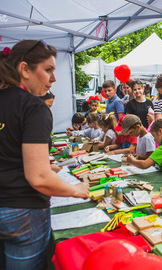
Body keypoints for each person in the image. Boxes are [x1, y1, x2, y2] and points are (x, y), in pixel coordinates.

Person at [0, 40, 89, 269]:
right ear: (25, 69)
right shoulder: (33, 107)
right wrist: (75, 190)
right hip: (21, 209)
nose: (54, 78)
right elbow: (37, 176)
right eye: (48, 69)